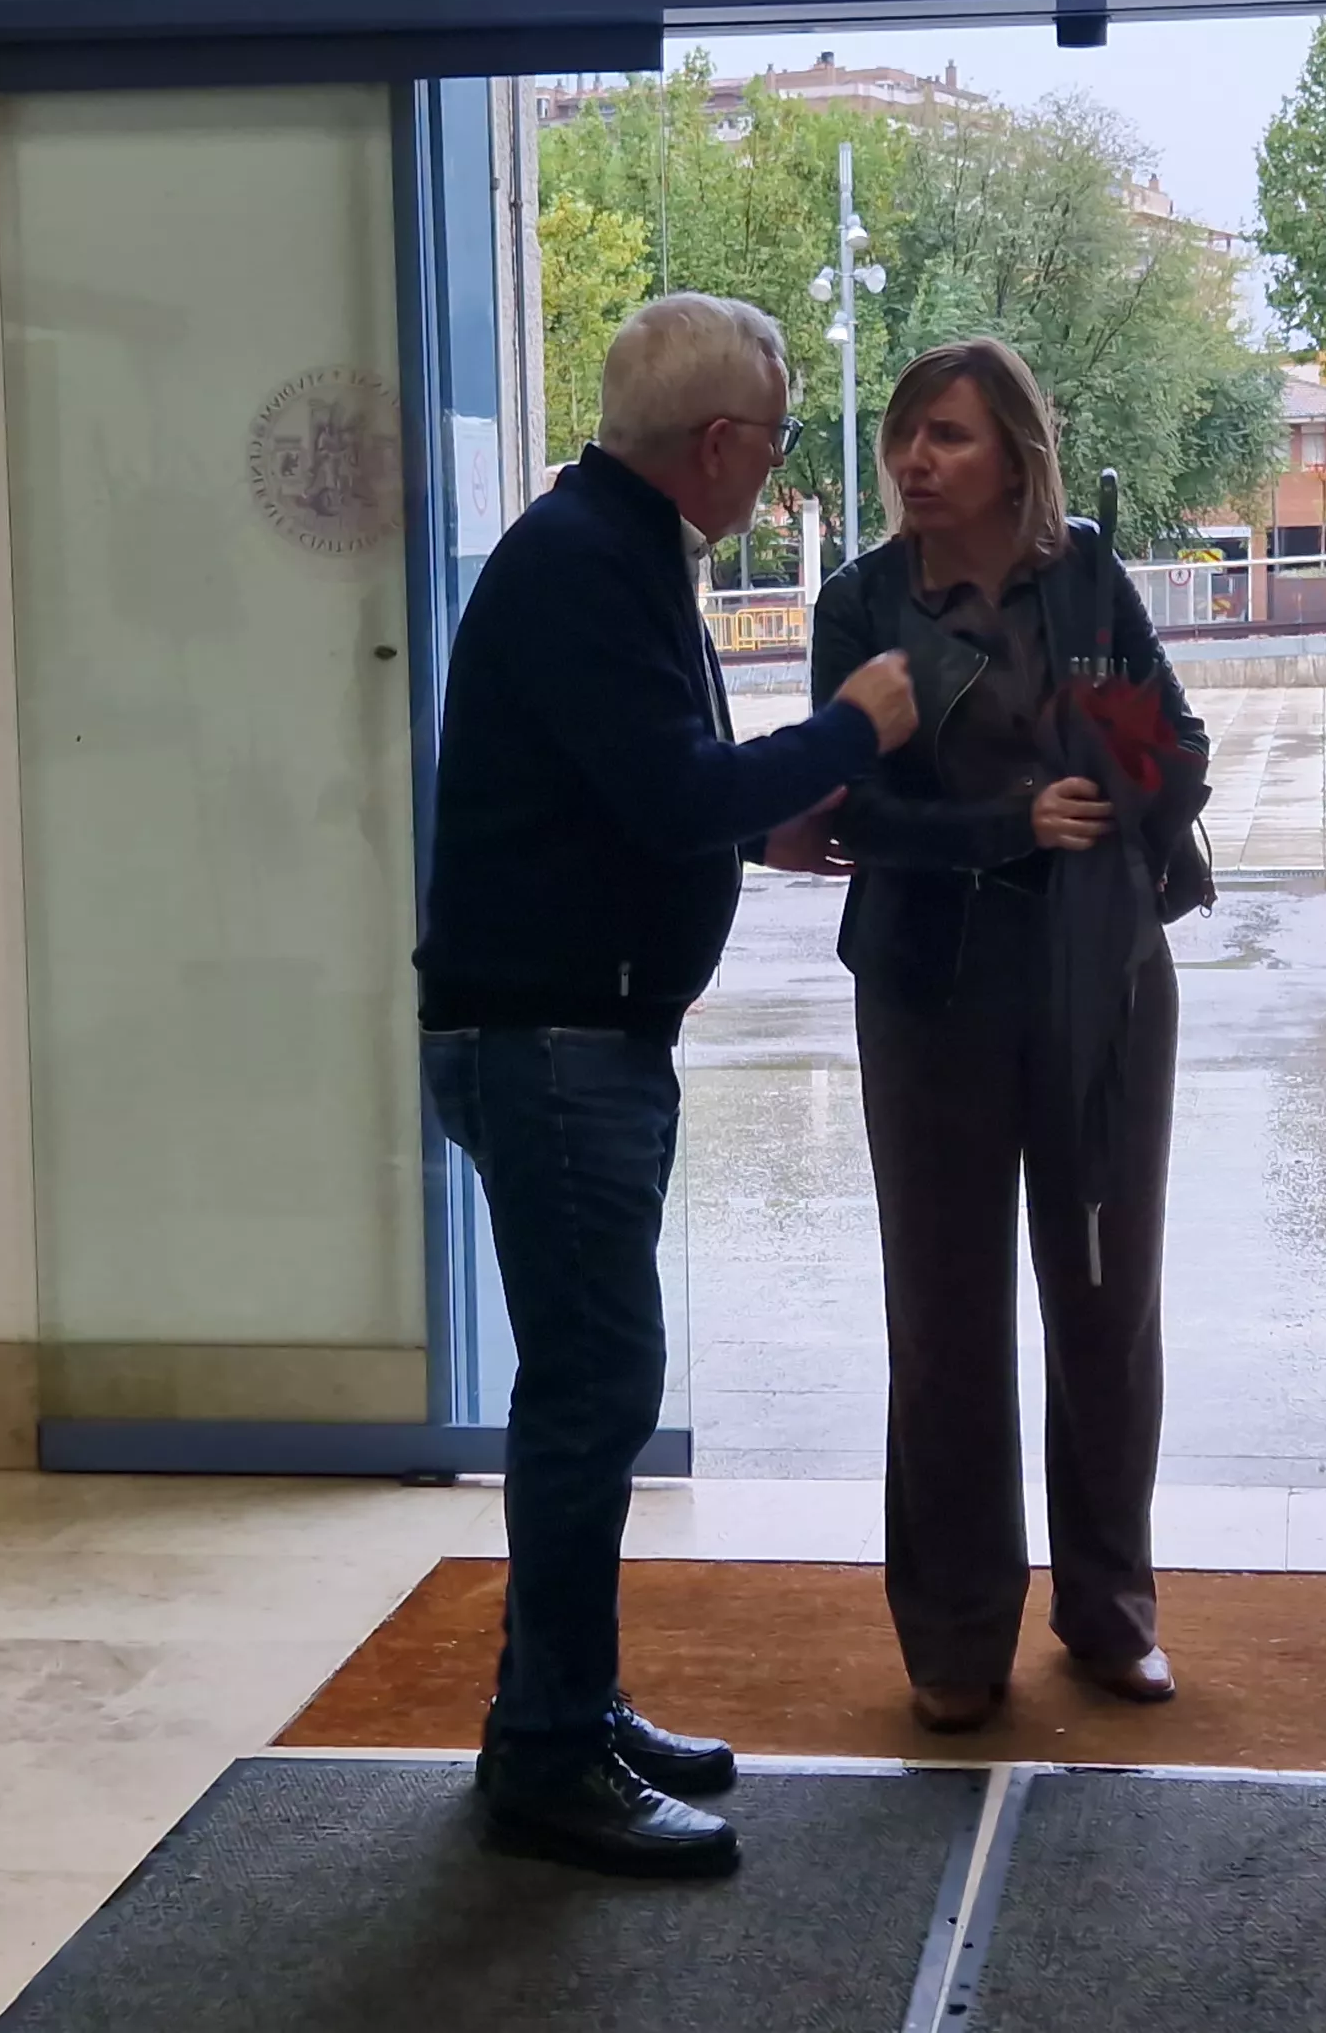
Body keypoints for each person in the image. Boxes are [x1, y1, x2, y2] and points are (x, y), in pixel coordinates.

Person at [418, 294, 920, 1877]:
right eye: (772, 443)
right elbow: (662, 787)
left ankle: (562, 1704)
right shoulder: (586, 562)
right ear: (716, 443)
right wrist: (850, 725)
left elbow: (638, 797)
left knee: (589, 1391)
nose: (774, 472)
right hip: (552, 1044)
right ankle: (549, 1753)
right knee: (593, 1399)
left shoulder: (608, 546)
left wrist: (750, 826)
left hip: (573, 1036)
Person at [782, 338, 1210, 1735]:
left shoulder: (1086, 576)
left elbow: (1182, 750)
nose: (916, 460)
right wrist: (1005, 823)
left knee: (1105, 1306)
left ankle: (1110, 1612)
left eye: (950, 437)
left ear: (1015, 455)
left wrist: (1119, 767)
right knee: (949, 1320)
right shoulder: (860, 605)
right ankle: (957, 1635)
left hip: (1100, 983)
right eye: (907, 436)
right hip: (930, 988)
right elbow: (843, 815)